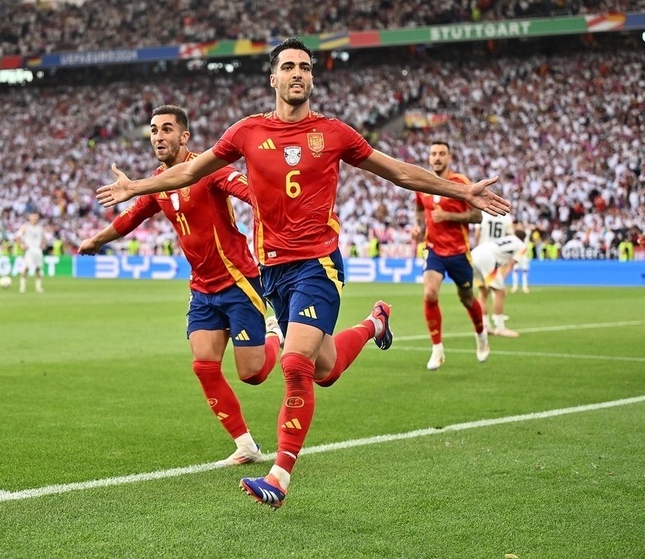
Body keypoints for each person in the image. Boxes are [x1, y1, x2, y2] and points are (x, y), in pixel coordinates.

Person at [95, 38, 510, 508]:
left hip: (318, 263)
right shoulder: (246, 132)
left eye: (306, 67)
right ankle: (374, 324)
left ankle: (279, 476)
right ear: (273, 78)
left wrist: (462, 192)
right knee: (325, 369)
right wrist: (137, 187)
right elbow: (189, 173)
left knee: (295, 366)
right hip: (272, 272)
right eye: (289, 66)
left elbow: (398, 171)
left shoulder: (333, 133)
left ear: (312, 78)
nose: (298, 73)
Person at [79, 105, 283, 466]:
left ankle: (274, 334)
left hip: (238, 281)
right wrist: (96, 240)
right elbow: (131, 217)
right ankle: (246, 445)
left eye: (167, 129)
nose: (158, 136)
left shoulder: (209, 168)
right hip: (202, 288)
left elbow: (250, 192)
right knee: (204, 365)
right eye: (154, 130)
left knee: (252, 374)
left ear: (184, 136)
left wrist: (272, 201)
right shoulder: (159, 183)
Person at [411, 141, 491, 371]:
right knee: (430, 292)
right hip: (434, 249)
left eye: (441, 154)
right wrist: (418, 226)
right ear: (429, 158)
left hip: (459, 252)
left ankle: (481, 334)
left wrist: (449, 216)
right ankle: (437, 349)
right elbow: (419, 209)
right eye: (433, 153)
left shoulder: (461, 183)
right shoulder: (422, 183)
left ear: (449, 158)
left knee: (467, 298)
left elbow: (477, 216)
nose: (437, 157)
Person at [471, 229, 528, 337]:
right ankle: (500, 328)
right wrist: (501, 282)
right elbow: (510, 264)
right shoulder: (522, 246)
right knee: (499, 292)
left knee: (483, 292)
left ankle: (485, 327)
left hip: (474, 254)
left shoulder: (508, 238)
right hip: (486, 258)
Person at [16, 211, 45, 293]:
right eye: (33, 217)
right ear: (30, 218)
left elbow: (43, 238)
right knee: (26, 268)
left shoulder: (40, 228)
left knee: (38, 269)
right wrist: (21, 245)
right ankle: (22, 287)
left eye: (36, 218)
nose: (35, 219)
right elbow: (17, 237)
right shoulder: (25, 227)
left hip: (38, 250)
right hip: (29, 250)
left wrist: (42, 245)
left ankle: (38, 288)